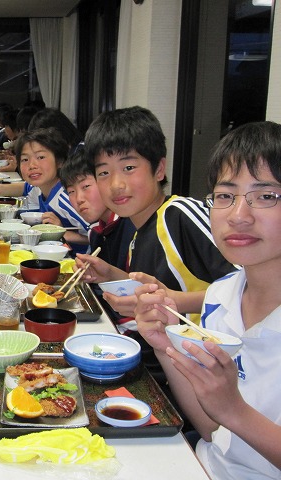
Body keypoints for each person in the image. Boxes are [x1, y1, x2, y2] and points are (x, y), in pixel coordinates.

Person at [134, 121, 281, 479]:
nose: (238, 216)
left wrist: (235, 410)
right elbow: (213, 431)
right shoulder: (221, 295)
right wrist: (165, 346)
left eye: (266, 196)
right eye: (226, 196)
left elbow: (228, 415)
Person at [76, 106, 236, 324]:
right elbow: (155, 289)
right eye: (104, 172)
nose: (115, 184)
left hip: (210, 344)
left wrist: (174, 301)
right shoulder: (138, 234)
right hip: (168, 344)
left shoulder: (179, 214)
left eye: (129, 168)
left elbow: (249, 286)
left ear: (159, 169)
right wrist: (111, 275)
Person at [0, 127, 89, 252]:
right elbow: (26, 187)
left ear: (60, 162)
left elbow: (99, 235)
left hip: (76, 260)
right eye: (25, 159)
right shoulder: (39, 187)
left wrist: (61, 232)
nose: (32, 165)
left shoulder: (66, 199)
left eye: (41, 157)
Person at [62, 146, 135, 272]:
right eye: (71, 191)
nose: (79, 199)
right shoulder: (95, 232)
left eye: (86, 186)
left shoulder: (133, 226)